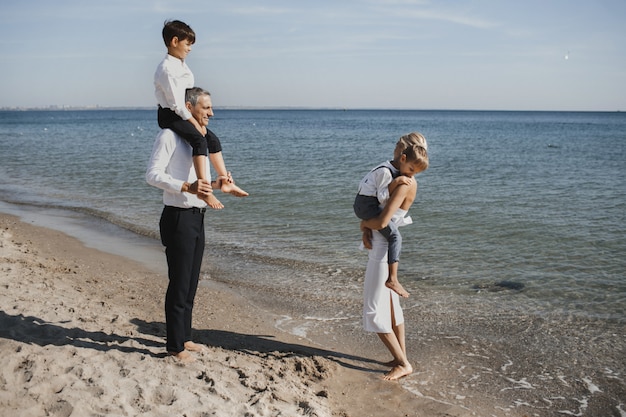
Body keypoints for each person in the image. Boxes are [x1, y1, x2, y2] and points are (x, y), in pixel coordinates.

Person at [146, 87, 225, 362]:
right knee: (179, 284)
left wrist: (218, 184)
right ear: (189, 108)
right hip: (177, 218)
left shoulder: (196, 141)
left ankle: (185, 338)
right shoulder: (169, 136)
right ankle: (174, 346)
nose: (211, 113)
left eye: (211, 108)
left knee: (191, 283)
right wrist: (185, 186)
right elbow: (152, 175)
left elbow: (199, 185)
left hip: (197, 216)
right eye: (206, 108)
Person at [154, 19, 248, 209]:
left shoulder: (181, 65)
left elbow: (189, 95)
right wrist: (195, 123)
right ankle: (204, 191)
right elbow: (176, 104)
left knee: (212, 140)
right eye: (187, 44)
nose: (189, 49)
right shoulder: (166, 69)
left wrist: (198, 117)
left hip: (185, 113)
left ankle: (225, 182)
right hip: (172, 115)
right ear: (174, 41)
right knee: (199, 140)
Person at [359, 132, 429, 381]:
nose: (411, 172)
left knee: (373, 310)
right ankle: (401, 357)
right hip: (383, 248)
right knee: (391, 308)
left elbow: (383, 221)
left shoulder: (404, 182)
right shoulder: (402, 179)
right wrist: (367, 225)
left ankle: (402, 363)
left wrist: (363, 224)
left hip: (381, 252)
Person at [354, 133, 429, 298]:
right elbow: (381, 203)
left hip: (367, 208)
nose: (411, 175)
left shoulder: (399, 174)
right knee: (395, 236)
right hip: (366, 206)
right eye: (411, 170)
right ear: (403, 157)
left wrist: (366, 226)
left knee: (380, 299)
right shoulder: (390, 174)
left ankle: (393, 279)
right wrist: (366, 224)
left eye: (415, 172)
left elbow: (381, 212)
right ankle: (393, 279)